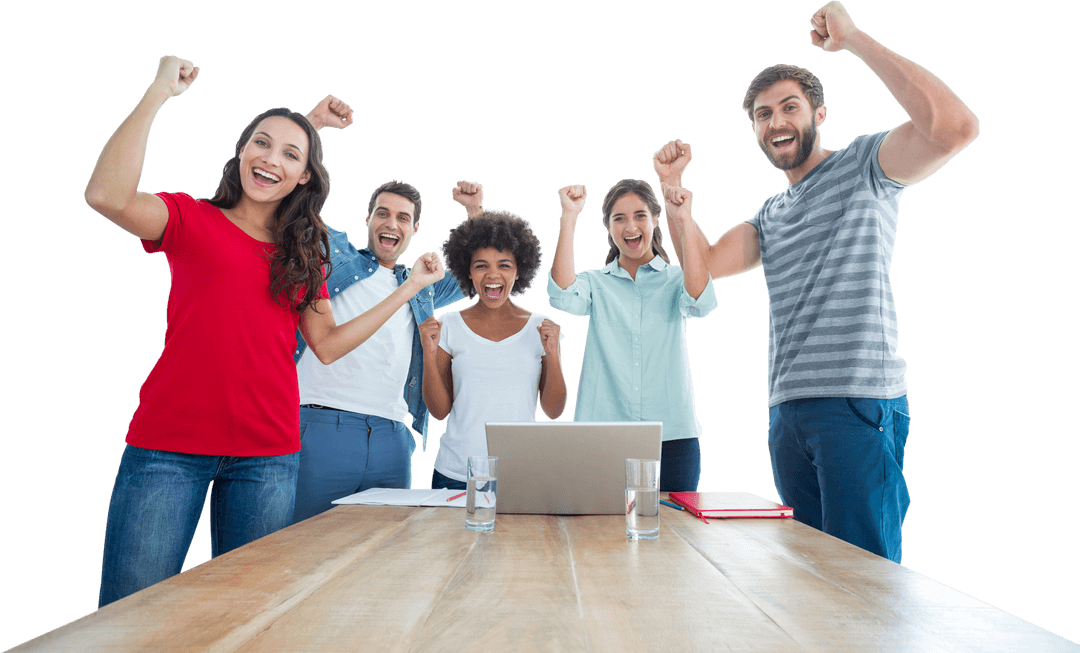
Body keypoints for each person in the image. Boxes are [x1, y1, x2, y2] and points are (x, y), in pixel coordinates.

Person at [84, 56, 446, 606]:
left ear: (305, 176)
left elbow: (328, 345)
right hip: (168, 447)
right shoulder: (190, 219)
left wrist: (408, 289)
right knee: (131, 614)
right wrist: (158, 93)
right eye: (260, 144)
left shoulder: (305, 254)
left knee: (249, 616)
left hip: (268, 455)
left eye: (290, 155)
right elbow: (106, 196)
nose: (271, 158)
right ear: (240, 152)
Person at [654, 1, 979, 561]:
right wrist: (673, 198)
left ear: (819, 113)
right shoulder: (770, 214)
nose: (776, 121)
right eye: (763, 114)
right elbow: (701, 268)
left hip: (856, 401)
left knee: (864, 574)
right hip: (789, 411)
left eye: (790, 107)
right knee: (811, 576)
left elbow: (955, 128)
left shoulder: (865, 166)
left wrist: (855, 40)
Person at [290, 180, 484, 521]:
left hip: (392, 437)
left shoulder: (421, 287)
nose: (391, 223)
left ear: (415, 228)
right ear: (368, 219)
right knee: (304, 543)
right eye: (382, 213)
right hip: (323, 425)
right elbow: (298, 211)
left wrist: (474, 212)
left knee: (384, 545)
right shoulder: (335, 257)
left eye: (403, 218)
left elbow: (476, 270)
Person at [547, 180, 717, 491]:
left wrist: (683, 219)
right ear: (608, 227)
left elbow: (701, 302)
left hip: (673, 438)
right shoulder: (596, 283)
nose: (630, 227)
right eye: (619, 218)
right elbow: (561, 293)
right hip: (600, 436)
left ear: (655, 219)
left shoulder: (677, 279)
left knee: (675, 523)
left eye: (640, 216)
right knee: (596, 523)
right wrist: (569, 216)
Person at [421, 210, 567, 490]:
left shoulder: (540, 328)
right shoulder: (448, 325)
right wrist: (428, 353)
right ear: (468, 271)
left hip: (519, 476)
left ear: (519, 270)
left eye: (504, 265)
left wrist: (553, 353)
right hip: (456, 474)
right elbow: (439, 411)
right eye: (481, 266)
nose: (492, 275)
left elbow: (554, 410)